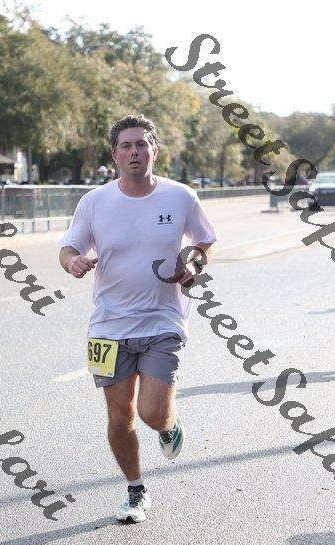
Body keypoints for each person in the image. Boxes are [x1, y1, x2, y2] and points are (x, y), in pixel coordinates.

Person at [58, 114, 217, 523]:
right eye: (126, 146)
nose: (134, 152)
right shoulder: (94, 202)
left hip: (163, 320)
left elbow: (203, 242)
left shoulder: (180, 197)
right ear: (115, 155)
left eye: (141, 145)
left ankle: (168, 424)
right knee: (118, 415)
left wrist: (194, 264)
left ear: (154, 151)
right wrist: (73, 261)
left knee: (151, 412)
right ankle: (135, 490)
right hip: (108, 325)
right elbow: (68, 247)